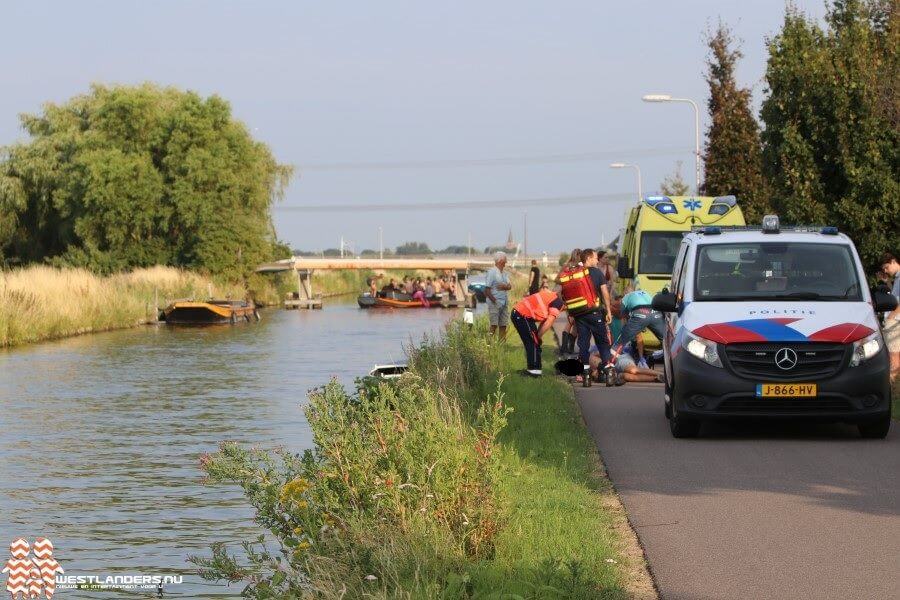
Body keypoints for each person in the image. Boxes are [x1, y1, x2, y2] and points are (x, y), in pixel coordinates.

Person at [572, 248, 614, 384]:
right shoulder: (597, 273)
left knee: (583, 345)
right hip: (595, 313)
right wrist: (608, 310)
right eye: (595, 258)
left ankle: (586, 375)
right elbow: (605, 292)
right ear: (588, 258)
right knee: (602, 343)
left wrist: (571, 313)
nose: (597, 260)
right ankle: (609, 374)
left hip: (580, 314)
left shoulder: (575, 273)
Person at [511, 288, 565, 377]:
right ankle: (534, 372)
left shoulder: (553, 297)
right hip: (522, 315)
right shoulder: (557, 302)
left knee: (534, 342)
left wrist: (538, 336)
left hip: (521, 314)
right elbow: (549, 321)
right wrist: (538, 337)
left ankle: (534, 370)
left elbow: (545, 321)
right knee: (533, 343)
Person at [608, 287, 666, 367]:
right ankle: (665, 356)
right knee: (667, 341)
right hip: (655, 313)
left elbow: (621, 315)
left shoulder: (626, 297)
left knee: (619, 344)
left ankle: (610, 367)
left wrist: (628, 327)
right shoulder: (645, 293)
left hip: (640, 314)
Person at [589, 342, 663, 384]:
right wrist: (595, 375)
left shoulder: (593, 353)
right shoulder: (587, 367)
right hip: (615, 372)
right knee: (627, 376)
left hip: (619, 359)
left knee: (633, 370)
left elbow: (608, 353)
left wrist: (608, 362)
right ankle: (656, 378)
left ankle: (660, 374)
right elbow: (595, 376)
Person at [880, 252, 900, 382]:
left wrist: (891, 317)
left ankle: (889, 386)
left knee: (893, 356)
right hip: (895, 320)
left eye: (887, 267)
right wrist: (887, 283)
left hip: (895, 321)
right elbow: (895, 296)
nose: (886, 271)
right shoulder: (897, 278)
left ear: (893, 261)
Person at [485, 251, 512, 340]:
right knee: (494, 325)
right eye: (505, 260)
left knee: (503, 325)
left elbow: (509, 286)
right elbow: (487, 290)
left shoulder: (504, 274)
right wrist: (495, 302)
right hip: (494, 303)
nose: (506, 262)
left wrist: (505, 286)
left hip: (504, 303)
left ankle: (501, 347)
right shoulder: (491, 272)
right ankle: (488, 345)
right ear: (500, 260)